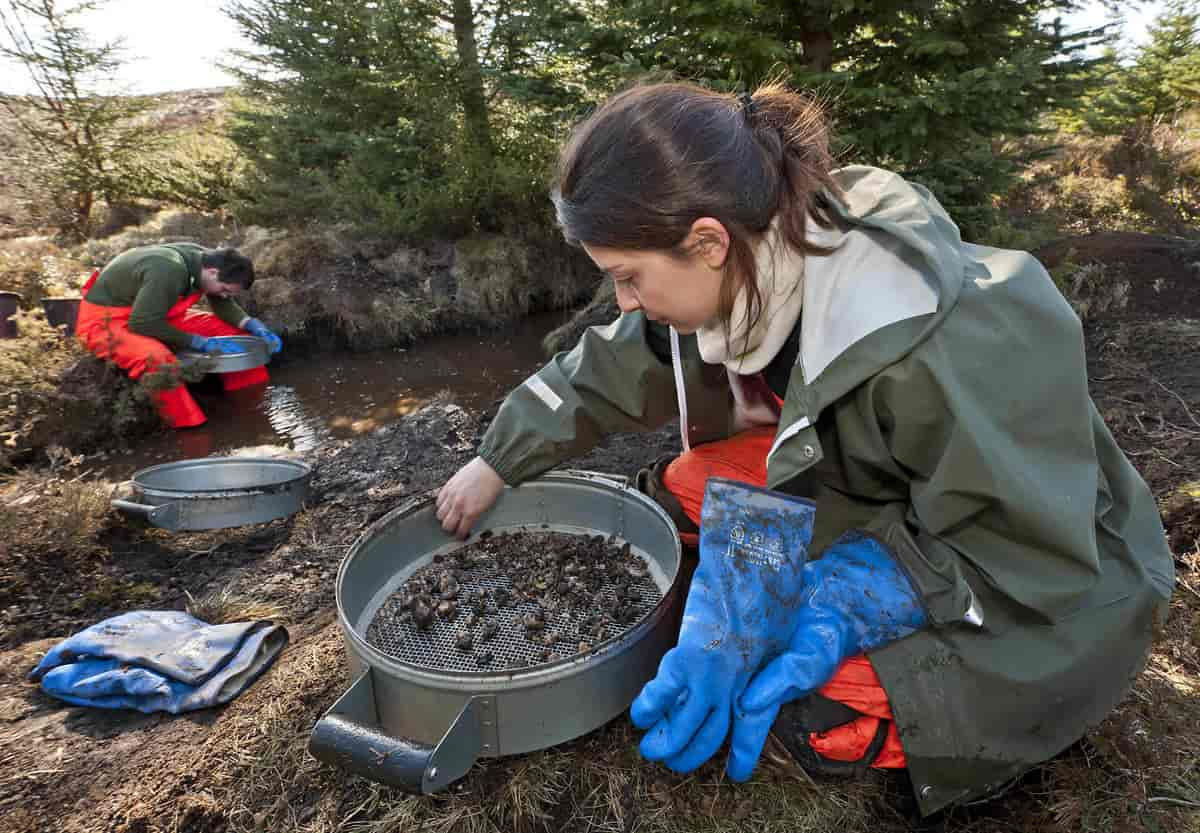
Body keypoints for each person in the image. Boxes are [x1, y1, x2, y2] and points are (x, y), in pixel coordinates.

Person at [433, 81, 1174, 816]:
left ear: (707, 241)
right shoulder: (746, 268)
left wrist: (839, 601)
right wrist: (496, 458)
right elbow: (607, 367)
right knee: (689, 483)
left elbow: (1023, 546)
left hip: (1050, 567)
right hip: (880, 493)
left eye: (629, 278)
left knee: (818, 709)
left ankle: (984, 725)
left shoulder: (937, 343)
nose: (624, 300)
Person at [75, 243, 283, 428]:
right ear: (212, 272)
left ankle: (251, 401)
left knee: (232, 333)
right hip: (106, 321)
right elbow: (142, 324)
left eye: (229, 294)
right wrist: (197, 342)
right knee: (158, 360)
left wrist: (253, 325)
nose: (224, 296)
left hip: (157, 312)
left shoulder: (204, 261)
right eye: (225, 289)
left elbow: (221, 303)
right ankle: (190, 430)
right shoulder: (168, 269)